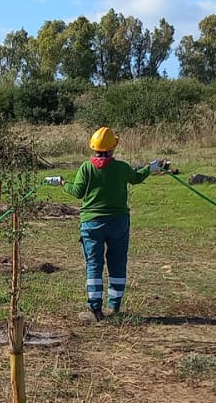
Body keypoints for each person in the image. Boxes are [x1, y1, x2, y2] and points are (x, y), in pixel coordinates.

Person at [43, 127, 171, 322]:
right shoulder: (121, 167)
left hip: (92, 224)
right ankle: (114, 306)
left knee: (94, 264)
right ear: (113, 148)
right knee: (117, 263)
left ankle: (95, 309)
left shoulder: (86, 168)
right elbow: (136, 178)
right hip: (119, 223)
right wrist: (152, 167)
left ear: (93, 148)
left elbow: (77, 192)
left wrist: (62, 183)